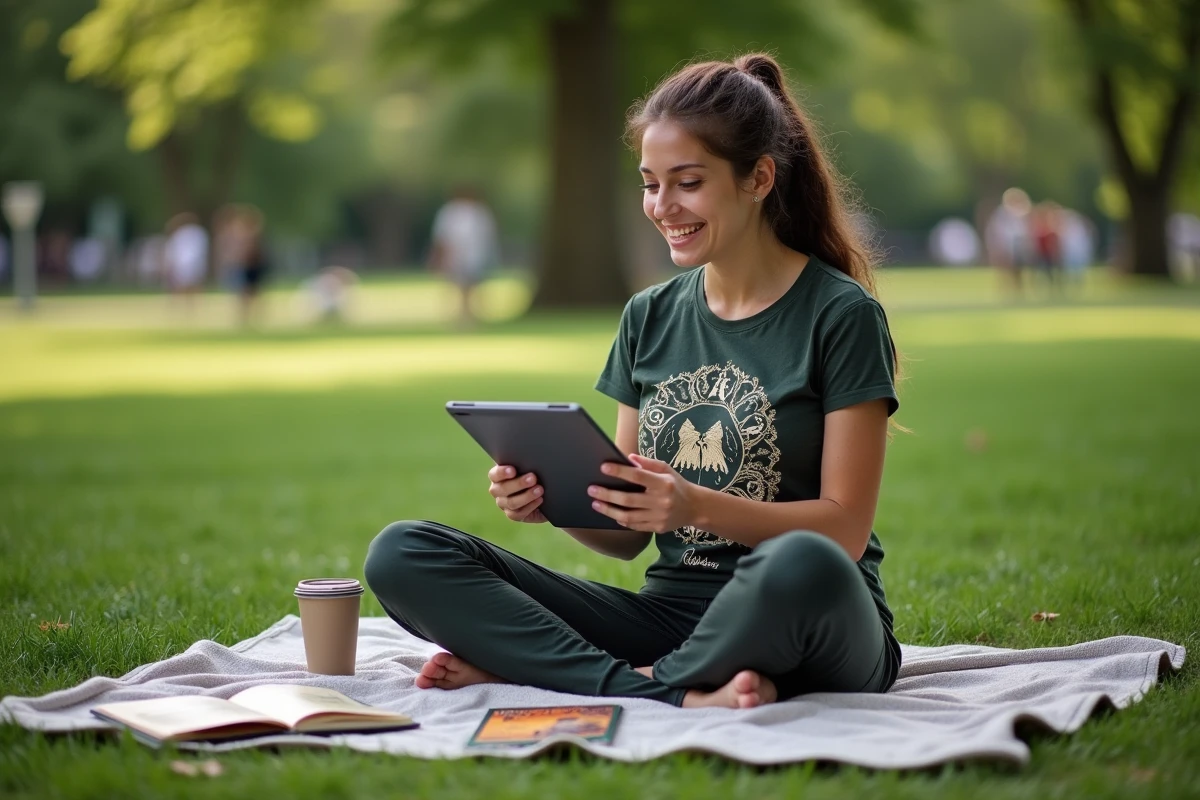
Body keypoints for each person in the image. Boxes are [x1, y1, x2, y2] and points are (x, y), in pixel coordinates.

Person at [365, 53, 903, 709]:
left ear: (759, 178)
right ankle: (669, 686)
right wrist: (553, 501)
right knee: (404, 552)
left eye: (688, 182)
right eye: (650, 184)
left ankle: (607, 678)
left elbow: (844, 531)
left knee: (801, 561)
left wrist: (695, 506)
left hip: (815, 617)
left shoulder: (840, 315)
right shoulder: (649, 316)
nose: (662, 206)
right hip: (669, 619)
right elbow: (624, 536)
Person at [428, 185, 498, 326]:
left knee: (470, 286)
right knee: (459, 286)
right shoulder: (452, 212)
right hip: (457, 255)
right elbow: (443, 237)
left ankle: (468, 314)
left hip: (472, 255)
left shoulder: (478, 212)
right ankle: (462, 315)